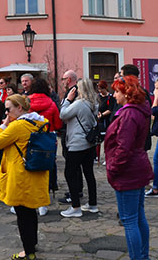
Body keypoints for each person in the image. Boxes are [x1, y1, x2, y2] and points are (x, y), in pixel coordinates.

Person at [0, 94, 50, 260]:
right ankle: (32, 244)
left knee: (22, 215)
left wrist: (4, 124)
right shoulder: (40, 122)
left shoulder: (17, 126)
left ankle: (28, 252)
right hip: (35, 172)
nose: (7, 113)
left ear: (19, 108)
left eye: (8, 109)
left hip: (20, 175)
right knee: (30, 211)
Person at [105, 76, 153, 260]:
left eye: (117, 91)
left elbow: (123, 148)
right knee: (138, 216)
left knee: (130, 220)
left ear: (126, 94)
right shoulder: (138, 110)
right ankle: (142, 256)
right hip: (137, 167)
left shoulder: (129, 114)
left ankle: (138, 257)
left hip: (128, 171)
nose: (114, 95)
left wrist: (113, 168)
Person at [59, 78, 99, 218]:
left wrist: (67, 100)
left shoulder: (79, 103)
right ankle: (93, 204)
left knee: (70, 173)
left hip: (77, 144)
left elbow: (63, 115)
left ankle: (75, 206)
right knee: (89, 173)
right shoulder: (94, 103)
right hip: (89, 143)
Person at [28, 78, 62, 215]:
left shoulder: (26, 102)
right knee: (47, 169)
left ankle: (30, 199)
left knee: (30, 168)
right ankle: (44, 201)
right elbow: (58, 124)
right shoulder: (52, 104)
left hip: (30, 138)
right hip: (48, 139)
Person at [58, 69, 82, 204]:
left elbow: (65, 113)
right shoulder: (73, 91)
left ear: (68, 80)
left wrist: (66, 101)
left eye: (63, 79)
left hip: (71, 131)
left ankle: (75, 192)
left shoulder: (73, 92)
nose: (62, 82)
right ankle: (76, 190)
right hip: (69, 131)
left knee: (72, 166)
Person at [120, 64, 152, 152]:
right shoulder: (129, 91)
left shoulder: (139, 93)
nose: (120, 79)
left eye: (122, 76)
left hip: (136, 139)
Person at [96, 80, 117, 164]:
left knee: (107, 140)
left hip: (106, 120)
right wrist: (97, 113)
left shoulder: (110, 98)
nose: (100, 90)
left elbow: (110, 109)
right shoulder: (98, 96)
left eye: (101, 89)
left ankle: (107, 157)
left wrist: (102, 115)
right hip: (98, 120)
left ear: (105, 88)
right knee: (97, 139)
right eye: (98, 89)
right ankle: (97, 157)